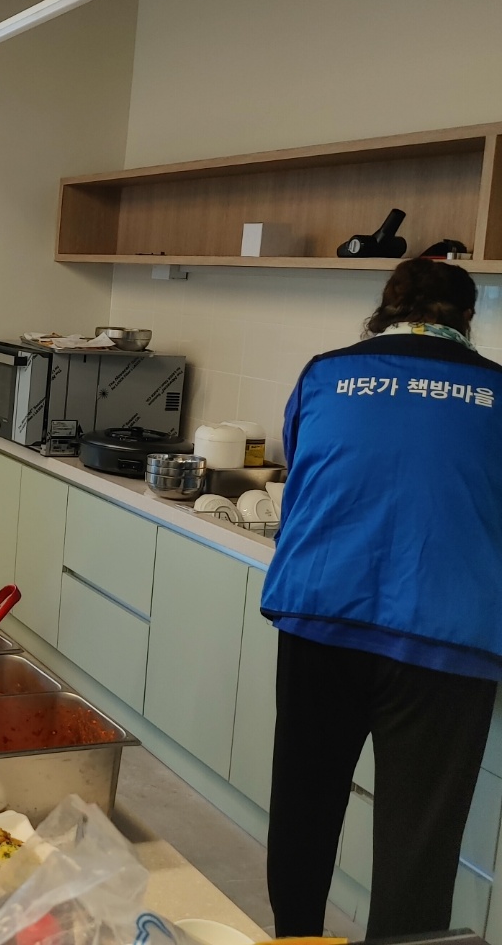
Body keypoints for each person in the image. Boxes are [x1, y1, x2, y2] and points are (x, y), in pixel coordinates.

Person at [263, 258, 502, 938]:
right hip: (447, 635)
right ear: (467, 319)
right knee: (418, 842)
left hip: (322, 612)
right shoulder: (496, 390)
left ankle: (296, 940)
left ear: (386, 308)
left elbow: (302, 467)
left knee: (305, 805)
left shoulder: (324, 373)